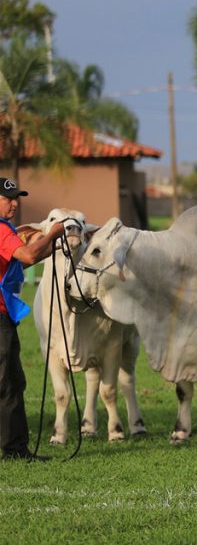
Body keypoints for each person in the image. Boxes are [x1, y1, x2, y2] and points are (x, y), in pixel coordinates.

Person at [0, 178, 65, 462]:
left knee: (11, 381)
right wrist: (51, 235)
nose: (14, 203)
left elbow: (21, 262)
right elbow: (26, 253)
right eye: (8, 198)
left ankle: (13, 447)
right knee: (9, 383)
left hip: (5, 316)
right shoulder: (1, 229)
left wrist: (55, 246)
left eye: (16, 198)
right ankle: (14, 450)